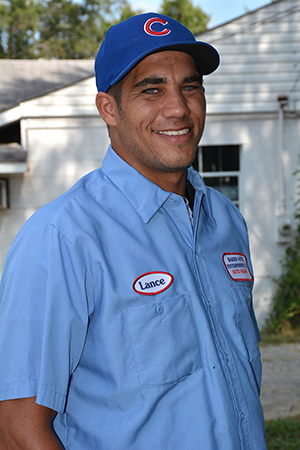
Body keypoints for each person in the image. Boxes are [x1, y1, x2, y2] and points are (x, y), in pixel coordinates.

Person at [0, 12, 267, 450]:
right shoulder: (63, 237)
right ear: (109, 108)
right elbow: (16, 430)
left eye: (191, 86)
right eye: (151, 89)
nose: (178, 107)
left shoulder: (225, 219)